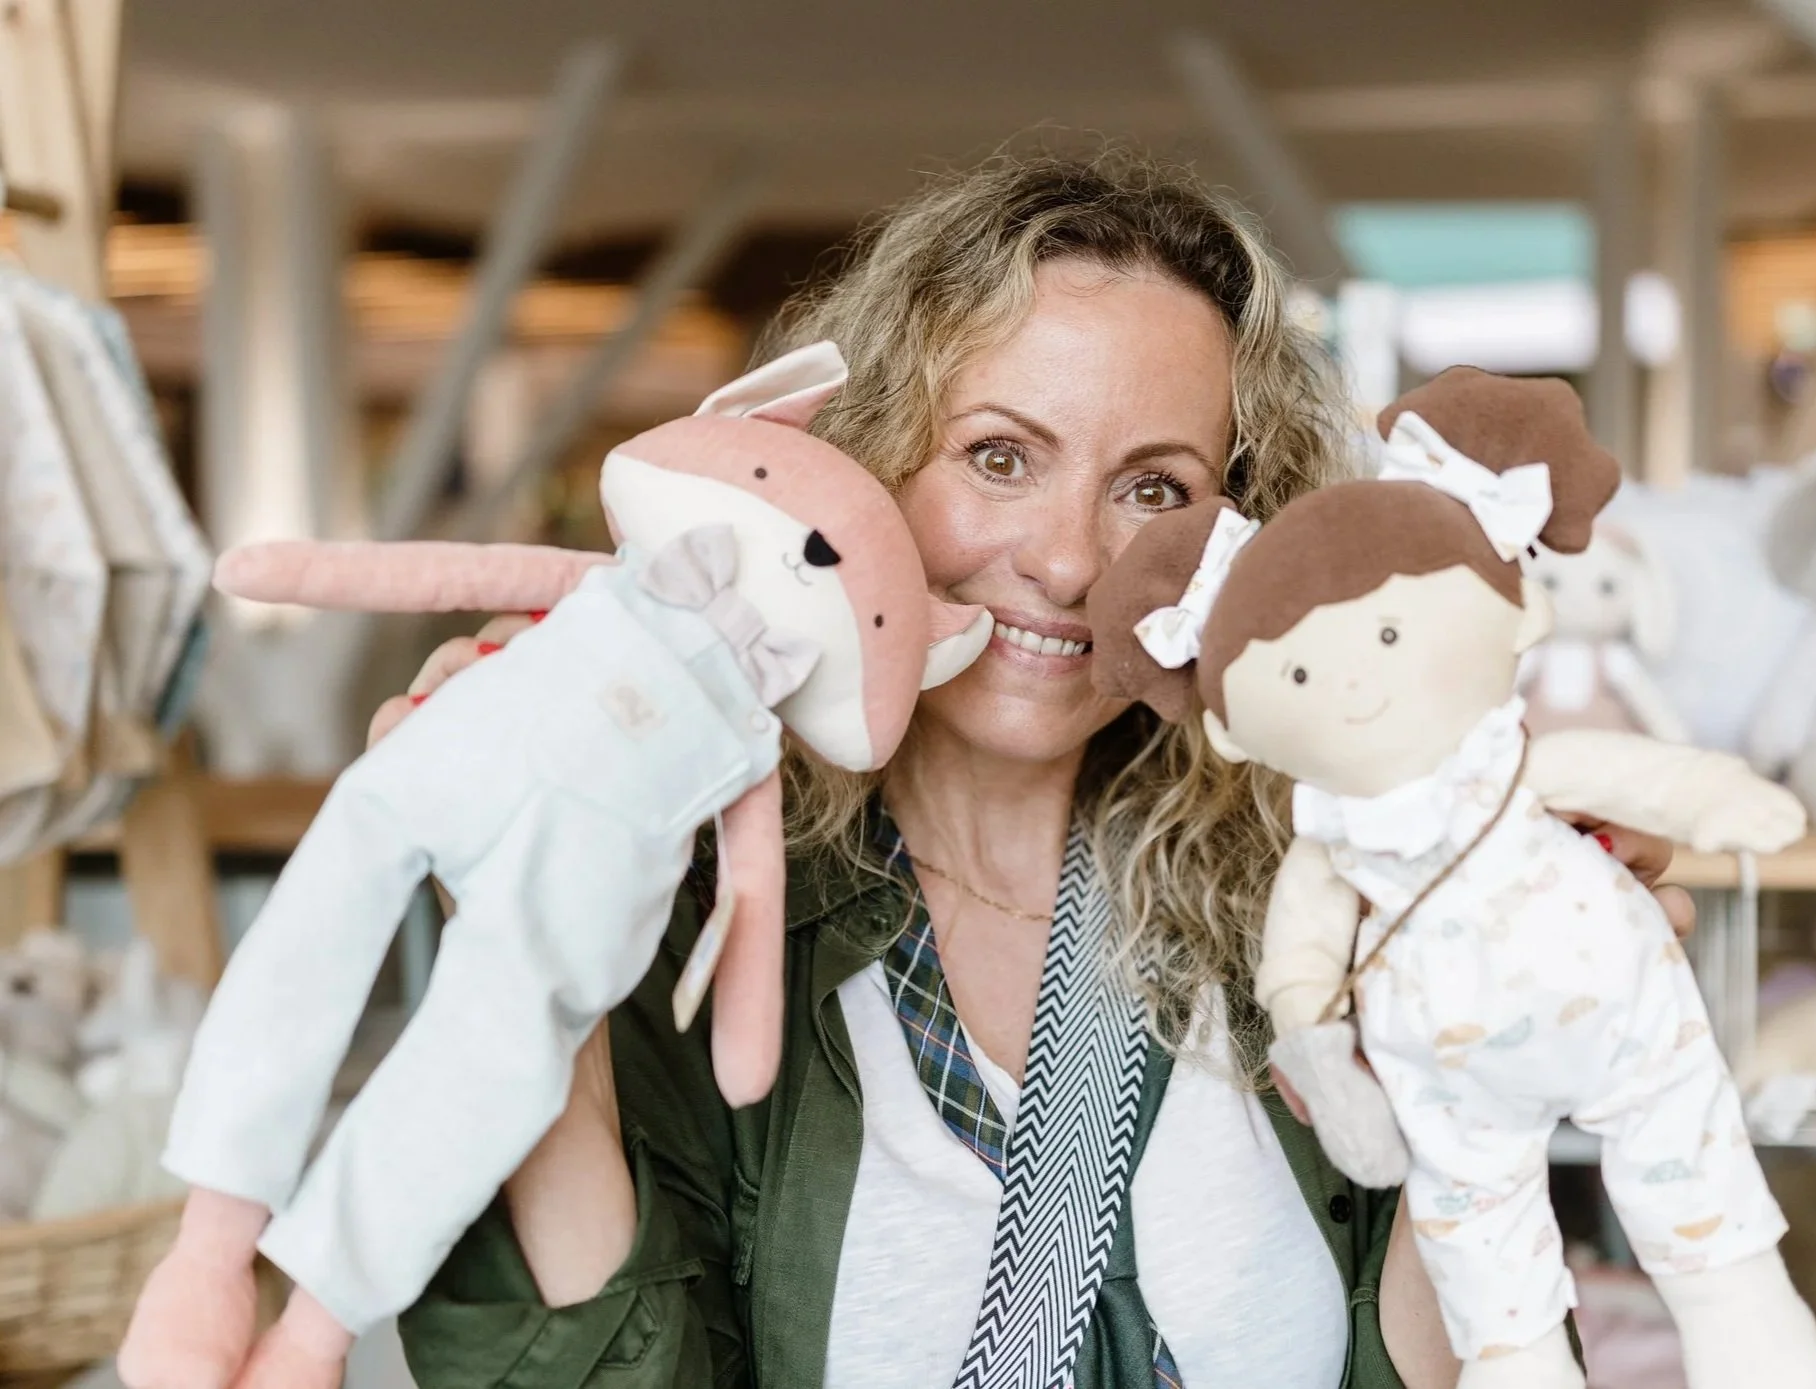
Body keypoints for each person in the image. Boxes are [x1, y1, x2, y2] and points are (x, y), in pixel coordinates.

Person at [383, 152, 1695, 1389]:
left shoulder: (1327, 912)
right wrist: (529, 970)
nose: (1070, 562)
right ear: (860, 465)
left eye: (1155, 489)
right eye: (1000, 457)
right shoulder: (696, 920)